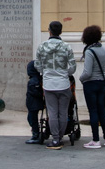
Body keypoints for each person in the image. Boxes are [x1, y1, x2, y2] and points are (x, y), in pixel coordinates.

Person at [35, 20, 76, 150]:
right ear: (61, 32)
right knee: (63, 112)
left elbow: (37, 65)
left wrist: (45, 72)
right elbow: (73, 66)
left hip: (48, 84)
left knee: (52, 113)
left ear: (49, 31)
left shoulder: (42, 46)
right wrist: (65, 73)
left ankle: (55, 139)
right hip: (63, 83)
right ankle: (61, 138)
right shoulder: (66, 47)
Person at [79, 24, 105, 148]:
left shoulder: (89, 51)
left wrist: (80, 79)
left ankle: (96, 140)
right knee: (101, 110)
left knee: (93, 111)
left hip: (91, 84)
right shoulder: (103, 49)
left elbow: (87, 72)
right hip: (101, 83)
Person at [24, 60, 45, 144]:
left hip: (33, 104)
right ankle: (36, 133)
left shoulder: (34, 81)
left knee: (32, 119)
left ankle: (35, 135)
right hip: (34, 104)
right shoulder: (37, 79)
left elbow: (35, 92)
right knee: (32, 118)